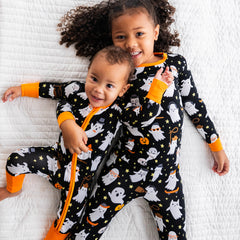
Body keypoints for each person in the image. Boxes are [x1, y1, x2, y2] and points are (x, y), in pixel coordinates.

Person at [56, 0, 230, 240]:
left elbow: (195, 106)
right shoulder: (118, 74)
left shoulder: (176, 65)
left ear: (155, 32)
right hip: (123, 169)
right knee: (86, 230)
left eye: (139, 34)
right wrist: (66, 121)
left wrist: (216, 145)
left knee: (176, 235)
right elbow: (78, 94)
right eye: (120, 37)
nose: (131, 44)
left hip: (166, 174)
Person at [0, 46, 136, 239]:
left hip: (80, 183)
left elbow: (146, 115)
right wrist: (21, 90)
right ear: (87, 73)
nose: (98, 89)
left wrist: (158, 87)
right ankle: (12, 190)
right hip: (55, 160)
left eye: (109, 86)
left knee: (65, 224)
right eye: (94, 79)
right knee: (15, 160)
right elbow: (51, 90)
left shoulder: (119, 111)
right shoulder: (76, 91)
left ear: (122, 90)